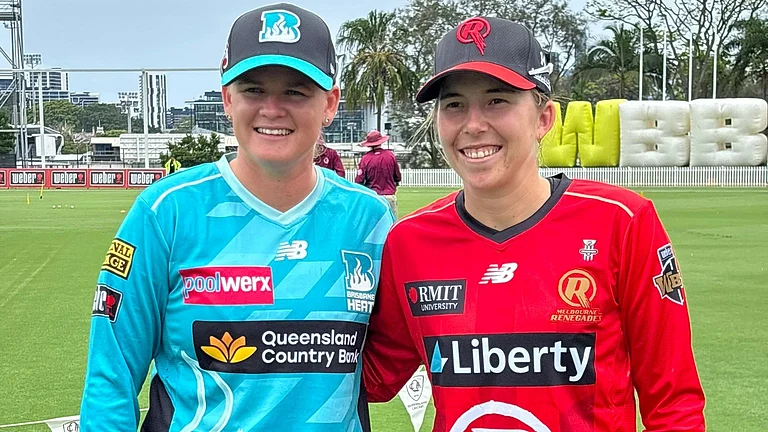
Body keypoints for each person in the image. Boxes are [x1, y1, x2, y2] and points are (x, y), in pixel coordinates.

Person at [362, 16, 706, 432]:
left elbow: (673, 403)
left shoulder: (622, 222)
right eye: (454, 105)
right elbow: (371, 377)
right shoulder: (410, 241)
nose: (473, 124)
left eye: (497, 101)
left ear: (544, 118)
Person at [80, 3, 394, 431]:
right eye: (253, 90)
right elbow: (111, 378)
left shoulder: (369, 219)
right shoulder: (166, 212)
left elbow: (395, 360)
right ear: (228, 98)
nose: (272, 109)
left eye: (296, 92)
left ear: (330, 103)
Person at [355, 130, 401, 215]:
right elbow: (397, 177)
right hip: (389, 196)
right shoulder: (390, 155)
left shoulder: (365, 158)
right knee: (391, 222)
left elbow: (359, 180)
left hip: (374, 197)